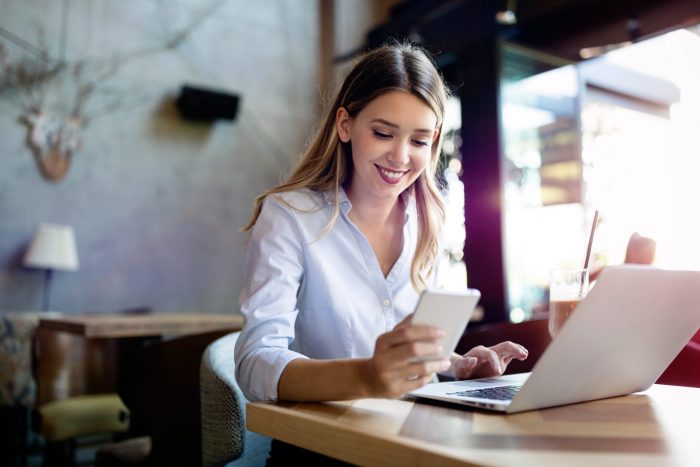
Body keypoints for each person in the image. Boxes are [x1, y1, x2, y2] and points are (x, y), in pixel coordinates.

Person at [234, 42, 528, 406]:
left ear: (434, 140)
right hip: (323, 445)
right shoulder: (290, 217)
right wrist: (366, 376)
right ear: (345, 125)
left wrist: (458, 366)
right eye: (383, 134)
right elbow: (254, 364)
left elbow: (409, 356)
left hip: (413, 433)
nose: (400, 156)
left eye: (419, 140)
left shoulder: (428, 223)